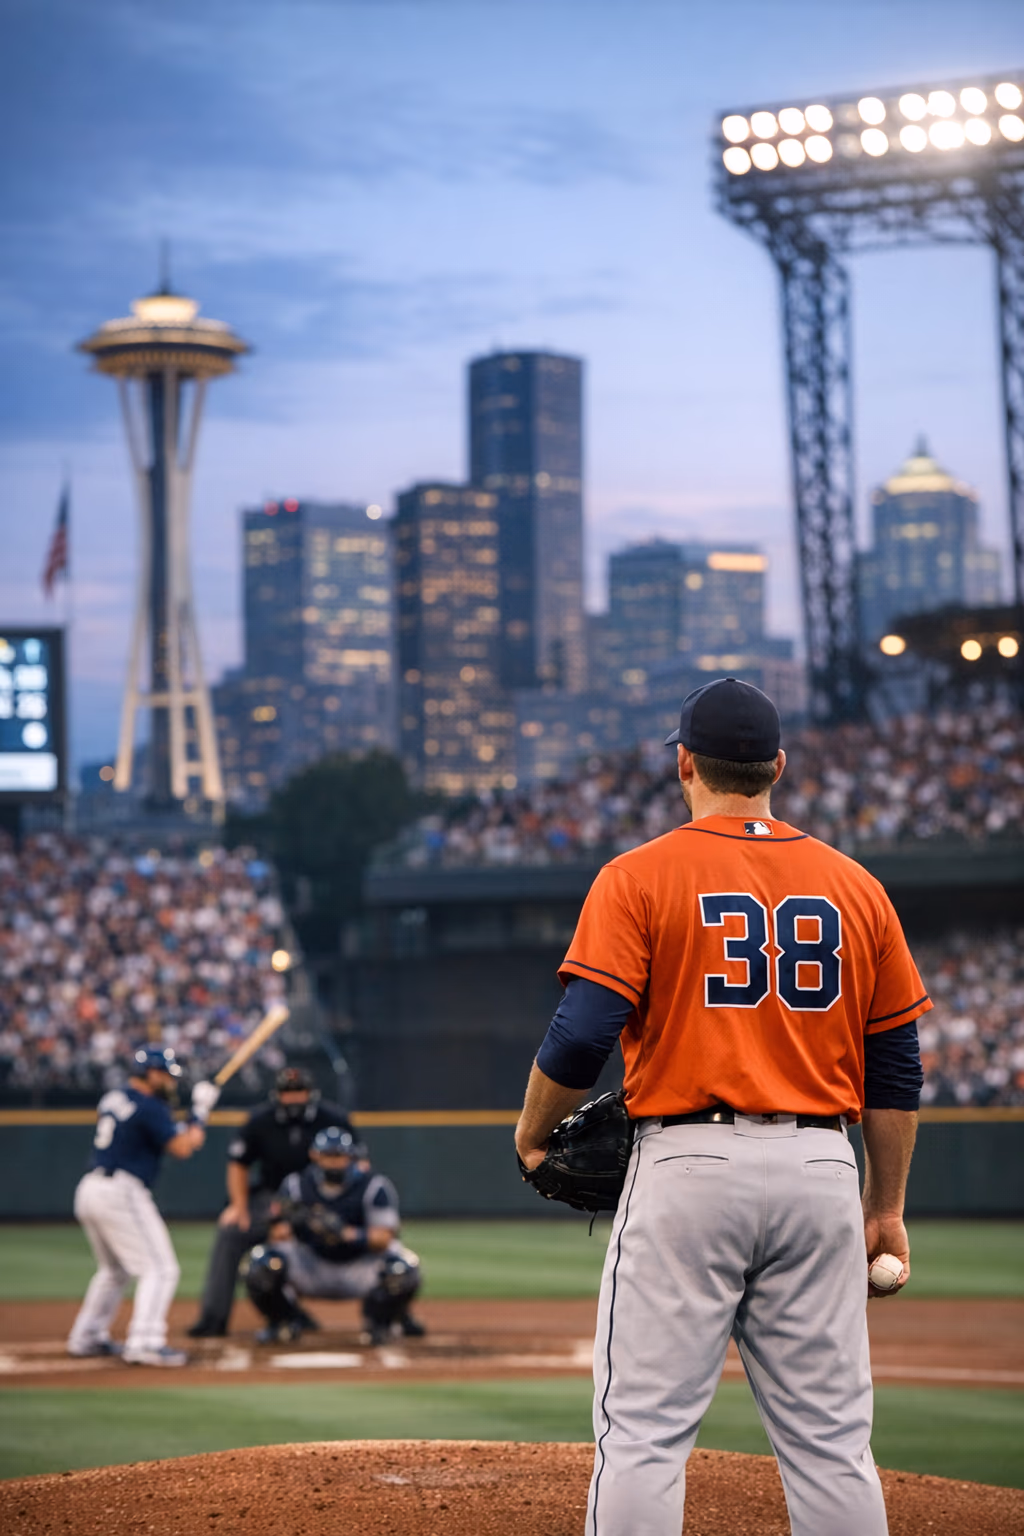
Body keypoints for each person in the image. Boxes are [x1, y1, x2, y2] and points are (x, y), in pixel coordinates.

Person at [515, 677, 929, 1536]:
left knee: (643, 1437)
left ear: (683, 766)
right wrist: (883, 1207)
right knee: (831, 1444)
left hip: (689, 1164)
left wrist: (531, 1134)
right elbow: (895, 1066)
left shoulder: (638, 876)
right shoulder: (859, 886)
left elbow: (584, 1028)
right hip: (821, 1167)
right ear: (778, 766)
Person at [67, 1045, 219, 1367]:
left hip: (91, 1187)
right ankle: (146, 1341)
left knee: (114, 1271)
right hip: (120, 1191)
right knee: (161, 1269)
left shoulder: (114, 1097)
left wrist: (191, 1117)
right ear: (149, 1073)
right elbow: (182, 1147)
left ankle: (87, 1336)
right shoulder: (151, 1107)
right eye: (166, 1074)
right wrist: (200, 1113)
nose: (171, 1082)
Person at [187, 1065, 354, 1337]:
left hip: (320, 1199)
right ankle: (213, 1319)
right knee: (231, 1232)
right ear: (277, 1094)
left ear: (310, 1093)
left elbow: (360, 1166)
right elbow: (238, 1164)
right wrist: (239, 1207)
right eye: (288, 1092)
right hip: (271, 1196)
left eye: (299, 1091)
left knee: (368, 1233)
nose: (294, 1098)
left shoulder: (333, 1118)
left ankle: (394, 1314)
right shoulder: (260, 1120)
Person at [245, 1125, 424, 1346]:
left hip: (359, 1265)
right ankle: (284, 1322)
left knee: (403, 1269)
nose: (333, 1162)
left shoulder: (373, 1186)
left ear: (351, 1157)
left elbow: (384, 1238)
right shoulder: (296, 1185)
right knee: (260, 1264)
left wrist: (344, 1233)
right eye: (327, 1155)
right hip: (311, 1263)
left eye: (338, 1156)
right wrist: (300, 1224)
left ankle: (381, 1323)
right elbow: (276, 1235)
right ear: (314, 1155)